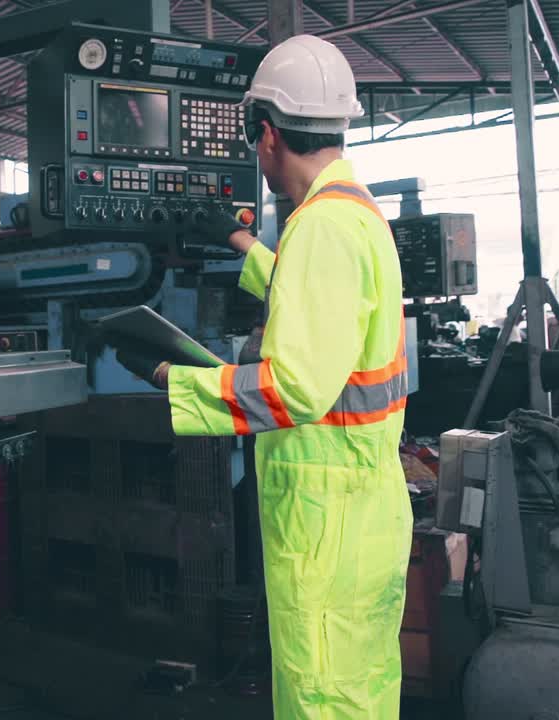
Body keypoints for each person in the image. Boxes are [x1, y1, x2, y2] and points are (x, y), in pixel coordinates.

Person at [115, 35, 412, 720]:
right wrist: (238, 240)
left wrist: (172, 378)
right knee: (361, 690)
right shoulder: (353, 213)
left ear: (269, 134)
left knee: (321, 700)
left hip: (325, 519)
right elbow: (323, 311)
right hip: (359, 509)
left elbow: (297, 387)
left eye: (256, 141)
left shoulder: (323, 227)